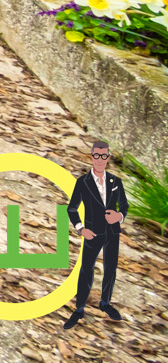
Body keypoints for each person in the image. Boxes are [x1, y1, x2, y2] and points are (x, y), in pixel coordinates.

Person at [63, 137, 127, 328]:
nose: (100, 159)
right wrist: (81, 229)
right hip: (93, 232)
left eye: (104, 156)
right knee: (86, 269)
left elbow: (124, 205)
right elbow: (72, 209)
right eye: (96, 155)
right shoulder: (83, 182)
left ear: (108, 158)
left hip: (112, 232)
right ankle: (79, 308)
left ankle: (105, 303)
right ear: (91, 157)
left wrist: (119, 217)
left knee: (110, 268)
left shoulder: (116, 181)